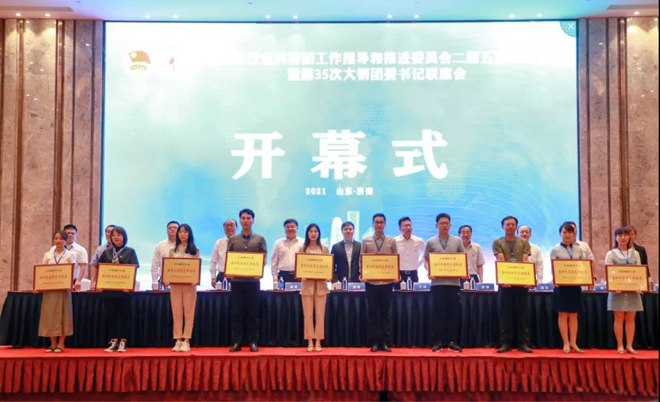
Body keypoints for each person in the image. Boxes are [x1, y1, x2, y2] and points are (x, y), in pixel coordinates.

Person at [226, 208, 267, 352]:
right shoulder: (233, 239)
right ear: (240, 220)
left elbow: (264, 258)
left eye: (248, 218)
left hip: (253, 282)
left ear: (253, 221)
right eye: (243, 218)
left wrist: (259, 270)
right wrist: (229, 271)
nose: (246, 221)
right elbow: (229, 257)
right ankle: (236, 342)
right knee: (237, 313)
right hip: (236, 282)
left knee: (253, 313)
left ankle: (253, 342)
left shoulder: (260, 239)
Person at [425, 213, 465, 352]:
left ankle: (453, 341)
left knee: (453, 313)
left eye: (446, 223)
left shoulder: (457, 241)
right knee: (437, 313)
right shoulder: (431, 241)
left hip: (453, 284)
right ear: (436, 225)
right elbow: (426, 259)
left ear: (450, 225)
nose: (444, 225)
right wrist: (429, 270)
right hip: (437, 284)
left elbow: (462, 259)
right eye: (441, 223)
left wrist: (462, 271)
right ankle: (438, 341)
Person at [492, 216, 533, 353]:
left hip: (521, 283)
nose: (510, 227)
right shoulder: (497, 242)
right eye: (507, 224)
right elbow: (501, 259)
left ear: (516, 226)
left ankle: (523, 344)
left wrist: (527, 280)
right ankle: (505, 344)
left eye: (513, 224)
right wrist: (505, 279)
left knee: (522, 315)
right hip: (505, 284)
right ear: (503, 226)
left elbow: (525, 260)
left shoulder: (524, 242)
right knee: (505, 315)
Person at [98, 226, 139, 353]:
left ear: (124, 237)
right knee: (111, 317)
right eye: (113, 235)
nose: (116, 237)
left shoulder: (130, 251)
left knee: (125, 317)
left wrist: (129, 286)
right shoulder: (106, 252)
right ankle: (113, 341)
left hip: (124, 291)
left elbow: (134, 269)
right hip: (109, 291)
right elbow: (101, 269)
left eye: (119, 235)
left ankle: (123, 342)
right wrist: (100, 284)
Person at [361, 213, 399, 353]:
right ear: (373, 224)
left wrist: (396, 274)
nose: (379, 224)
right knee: (372, 314)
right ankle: (375, 343)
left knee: (385, 314)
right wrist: (362, 274)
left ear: (385, 224)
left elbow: (395, 259)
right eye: (376, 222)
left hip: (387, 283)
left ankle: (385, 342)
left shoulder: (391, 241)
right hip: (371, 283)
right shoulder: (366, 241)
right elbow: (361, 259)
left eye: (381, 222)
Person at [38, 230, 79, 352]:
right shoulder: (48, 255)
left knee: (64, 315)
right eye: (56, 238)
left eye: (61, 238)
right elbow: (42, 271)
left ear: (65, 241)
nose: (58, 241)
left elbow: (74, 272)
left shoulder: (70, 255)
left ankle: (61, 343)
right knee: (49, 315)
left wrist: (71, 284)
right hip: (50, 290)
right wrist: (39, 286)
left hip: (64, 290)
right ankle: (52, 343)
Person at [605, 226, 644, 354]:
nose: (623, 238)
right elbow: (608, 273)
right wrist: (613, 286)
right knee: (619, 319)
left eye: (625, 235)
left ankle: (629, 345)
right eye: (620, 235)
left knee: (631, 319)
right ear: (615, 238)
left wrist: (639, 286)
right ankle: (620, 345)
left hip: (633, 292)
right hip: (617, 291)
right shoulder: (611, 254)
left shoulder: (636, 253)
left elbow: (639, 271)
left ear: (629, 237)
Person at [551, 223, 585, 353]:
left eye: (569, 232)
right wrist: (555, 278)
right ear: (560, 234)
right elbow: (553, 267)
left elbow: (583, 266)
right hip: (561, 286)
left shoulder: (579, 249)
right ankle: (565, 343)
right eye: (564, 232)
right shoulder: (555, 250)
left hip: (575, 285)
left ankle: (573, 343)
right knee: (563, 314)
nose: (567, 235)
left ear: (573, 234)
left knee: (574, 315)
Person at [166, 224, 200, 352]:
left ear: (189, 234)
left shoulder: (195, 250)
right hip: (175, 285)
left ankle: (186, 340)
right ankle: (178, 339)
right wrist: (167, 278)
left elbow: (197, 267)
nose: (182, 234)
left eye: (185, 232)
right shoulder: (172, 251)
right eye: (180, 232)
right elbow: (169, 267)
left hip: (189, 286)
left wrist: (195, 278)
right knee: (177, 312)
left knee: (189, 312)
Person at [298, 223, 330, 352]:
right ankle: (310, 340)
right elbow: (299, 266)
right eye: (311, 231)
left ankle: (318, 340)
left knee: (320, 315)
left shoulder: (324, 248)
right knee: (308, 315)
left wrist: (328, 275)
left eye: (315, 231)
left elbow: (328, 266)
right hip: (307, 286)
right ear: (307, 233)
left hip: (321, 286)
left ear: (319, 233)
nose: (313, 233)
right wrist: (301, 274)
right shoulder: (302, 248)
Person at [395, 217, 425, 289]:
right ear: (400, 228)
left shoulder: (419, 241)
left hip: (413, 273)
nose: (408, 228)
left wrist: (417, 265)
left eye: (410, 225)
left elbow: (425, 254)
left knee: (414, 294)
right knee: (398, 294)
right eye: (405, 226)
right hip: (399, 274)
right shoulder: (394, 241)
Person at [271, 219, 303, 286]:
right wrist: (275, 278)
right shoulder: (278, 243)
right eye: (287, 227)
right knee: (282, 293)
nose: (290, 229)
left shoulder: (303, 243)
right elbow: (274, 262)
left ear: (297, 228)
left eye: (292, 227)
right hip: (282, 276)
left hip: (299, 276)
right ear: (284, 229)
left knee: (298, 293)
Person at [150, 221, 179, 290]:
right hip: (164, 280)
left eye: (175, 228)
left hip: (180, 279)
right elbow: (155, 264)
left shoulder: (183, 246)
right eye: (170, 228)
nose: (172, 229)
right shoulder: (160, 245)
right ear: (167, 230)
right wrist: (154, 281)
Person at [331, 221, 361, 286]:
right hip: (340, 282)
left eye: (350, 229)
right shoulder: (336, 247)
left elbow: (363, 264)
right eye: (345, 229)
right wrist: (335, 280)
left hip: (357, 282)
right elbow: (332, 266)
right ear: (342, 231)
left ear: (353, 231)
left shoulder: (360, 246)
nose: (348, 231)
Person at [209, 219, 237, 288]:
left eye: (231, 225)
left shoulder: (242, 242)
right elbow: (213, 261)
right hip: (222, 276)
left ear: (236, 227)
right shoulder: (218, 242)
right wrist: (213, 277)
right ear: (224, 228)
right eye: (227, 226)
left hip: (238, 276)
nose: (229, 228)